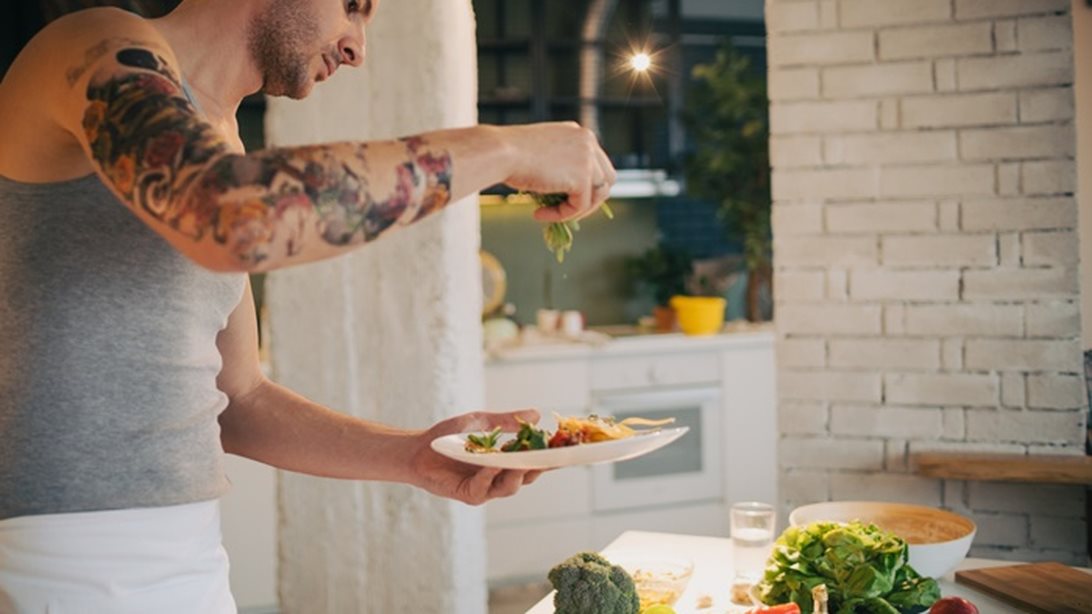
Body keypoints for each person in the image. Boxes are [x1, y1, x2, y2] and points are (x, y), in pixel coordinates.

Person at [0, 0, 616, 611]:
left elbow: (239, 398)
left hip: (190, 562)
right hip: (60, 563)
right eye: (352, 6)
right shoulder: (94, 42)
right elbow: (230, 212)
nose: (357, 47)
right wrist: (502, 150)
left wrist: (418, 454)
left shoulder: (224, 142)